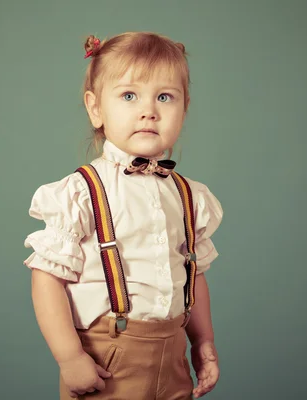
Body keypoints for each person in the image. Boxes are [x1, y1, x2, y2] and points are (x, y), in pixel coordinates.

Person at [23, 31, 224, 399]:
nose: (149, 110)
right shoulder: (82, 192)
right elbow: (47, 278)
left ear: (185, 107)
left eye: (165, 96)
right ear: (95, 108)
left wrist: (203, 340)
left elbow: (192, 274)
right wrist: (69, 357)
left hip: (173, 355)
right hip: (109, 358)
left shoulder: (188, 195)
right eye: (129, 95)